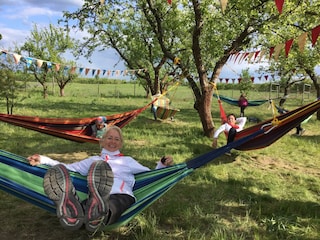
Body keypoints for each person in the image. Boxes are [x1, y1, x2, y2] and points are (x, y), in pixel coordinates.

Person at [27, 125, 173, 232]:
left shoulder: (127, 161)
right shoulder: (94, 161)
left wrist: (162, 164)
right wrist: (43, 159)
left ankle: (80, 210)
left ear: (120, 144)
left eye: (117, 139)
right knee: (93, 208)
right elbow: (68, 167)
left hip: (122, 195)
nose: (113, 141)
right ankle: (78, 209)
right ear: (102, 141)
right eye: (109, 138)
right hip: (97, 197)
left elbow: (150, 175)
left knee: (110, 207)